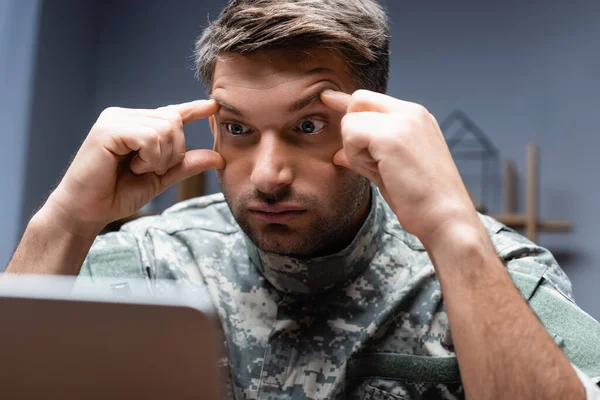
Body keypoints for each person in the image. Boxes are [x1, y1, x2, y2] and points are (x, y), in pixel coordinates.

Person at [6, 0, 600, 398]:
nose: (267, 175)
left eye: (309, 125)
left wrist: (453, 231)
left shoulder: (496, 274)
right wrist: (62, 220)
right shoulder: (142, 262)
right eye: (237, 128)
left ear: (372, 121)